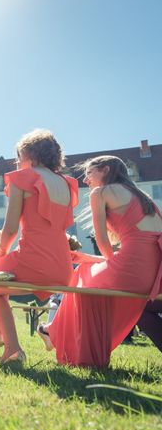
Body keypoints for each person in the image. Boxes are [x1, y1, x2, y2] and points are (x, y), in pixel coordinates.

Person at [38, 156, 162, 367]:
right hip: (154, 273)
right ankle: (52, 331)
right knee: (87, 271)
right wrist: (89, 258)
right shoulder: (143, 198)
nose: (86, 180)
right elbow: (133, 253)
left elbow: (103, 242)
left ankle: (54, 332)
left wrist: (94, 260)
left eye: (89, 173)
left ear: (105, 170)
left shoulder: (101, 193)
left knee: (81, 277)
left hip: (133, 271)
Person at [0, 130, 78, 363]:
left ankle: (12, 348)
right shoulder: (67, 184)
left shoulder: (22, 178)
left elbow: (11, 227)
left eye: (18, 156)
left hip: (35, 259)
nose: (17, 161)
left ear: (30, 154)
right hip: (63, 267)